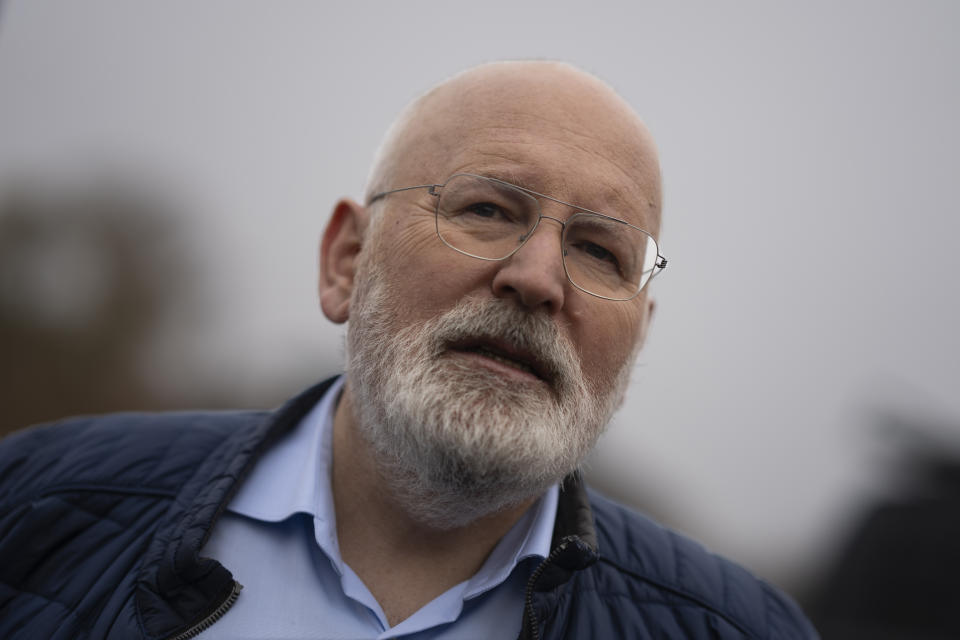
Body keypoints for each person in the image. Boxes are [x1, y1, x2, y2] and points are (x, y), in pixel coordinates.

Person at [0, 61, 818, 639]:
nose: (538, 279)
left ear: (638, 336)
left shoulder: (733, 630)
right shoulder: (36, 507)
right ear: (346, 261)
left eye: (602, 252)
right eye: (488, 210)